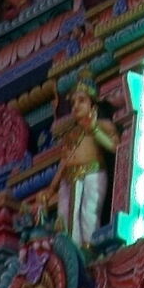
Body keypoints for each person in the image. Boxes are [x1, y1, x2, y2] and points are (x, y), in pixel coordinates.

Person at [53, 78, 117, 248]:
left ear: (92, 104)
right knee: (65, 216)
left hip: (93, 173)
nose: (75, 106)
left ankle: (89, 248)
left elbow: (116, 147)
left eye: (81, 100)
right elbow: (64, 160)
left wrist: (94, 129)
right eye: (73, 102)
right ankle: (71, 251)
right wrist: (50, 188)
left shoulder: (103, 125)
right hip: (69, 178)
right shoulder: (71, 134)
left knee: (88, 213)